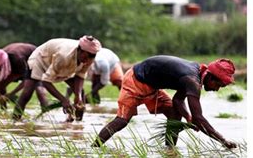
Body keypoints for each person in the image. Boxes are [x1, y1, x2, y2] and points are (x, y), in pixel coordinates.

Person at [93, 56, 237, 149]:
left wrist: (187, 117)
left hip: (151, 86)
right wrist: (223, 140)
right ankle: (94, 147)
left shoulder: (196, 74)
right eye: (219, 85)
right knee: (122, 120)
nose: (217, 89)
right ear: (211, 77)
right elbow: (199, 118)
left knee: (174, 113)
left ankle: (169, 151)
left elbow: (178, 100)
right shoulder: (192, 80)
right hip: (135, 80)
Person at [12, 35, 101, 121]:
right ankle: (15, 120)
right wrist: (63, 100)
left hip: (64, 64)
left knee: (80, 93)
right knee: (27, 91)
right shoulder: (63, 56)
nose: (88, 60)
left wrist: (78, 96)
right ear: (80, 51)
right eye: (85, 57)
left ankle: (77, 123)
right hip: (41, 59)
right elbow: (45, 81)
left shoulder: (90, 57)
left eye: (91, 57)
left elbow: (80, 76)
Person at [0, 43, 48, 109]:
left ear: (3, 62)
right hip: (16, 67)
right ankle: (3, 109)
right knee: (0, 84)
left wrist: (12, 93)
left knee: (38, 88)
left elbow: (26, 81)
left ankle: (45, 111)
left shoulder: (17, 59)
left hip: (35, 59)